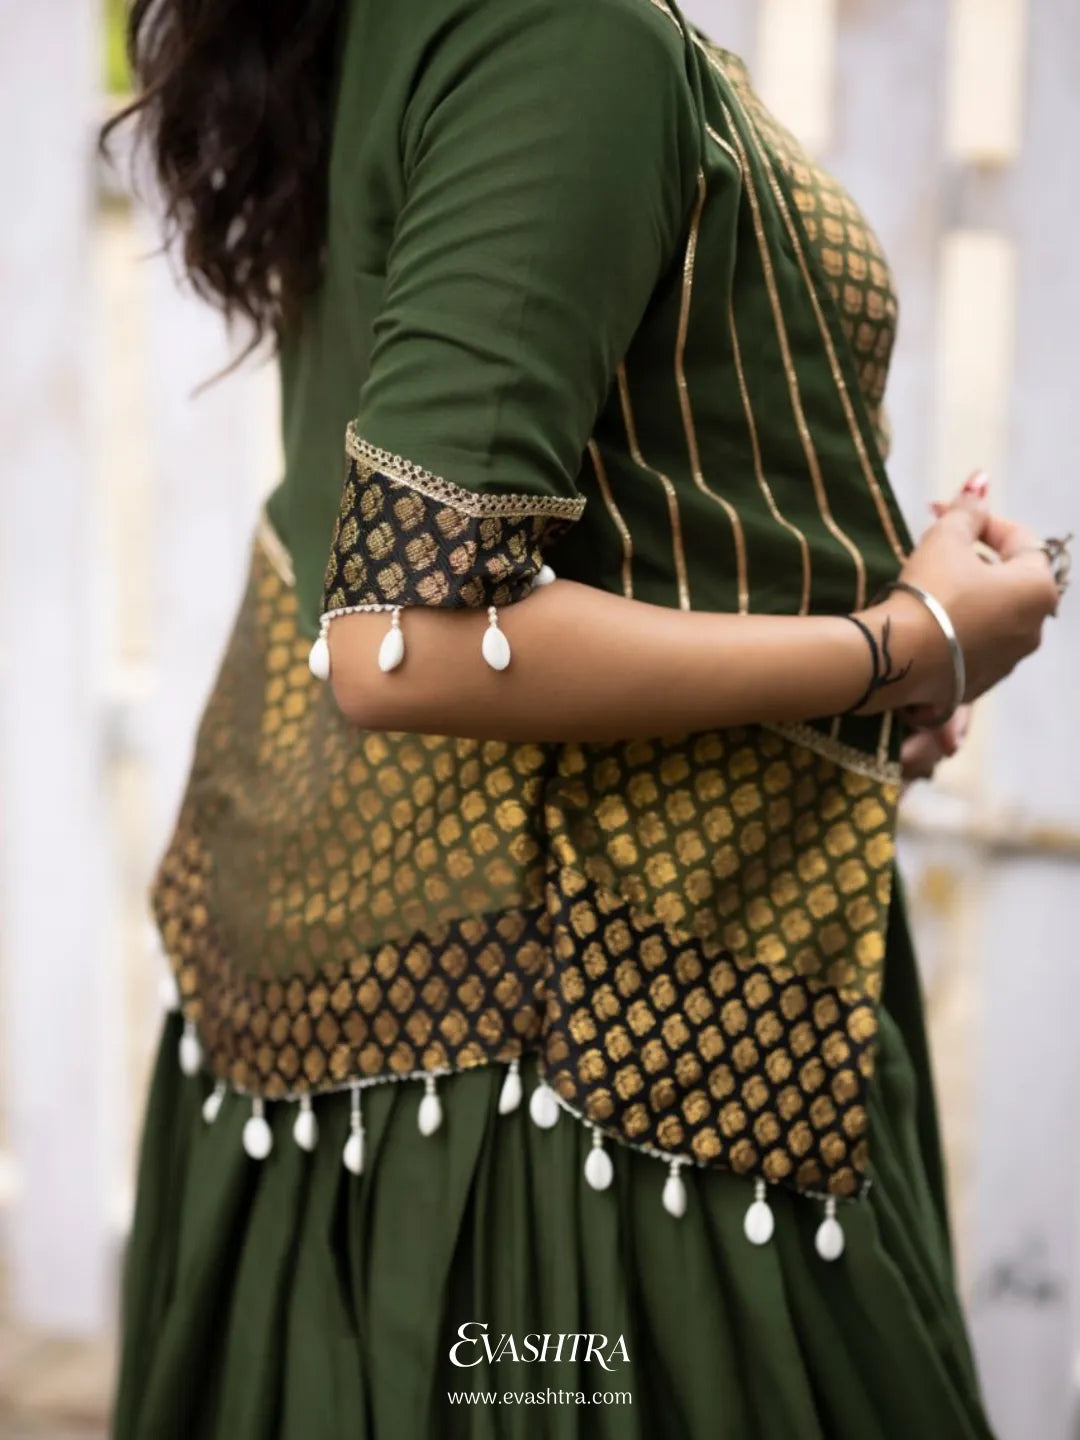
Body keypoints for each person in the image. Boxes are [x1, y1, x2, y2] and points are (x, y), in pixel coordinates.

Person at [107, 0, 1066, 1436]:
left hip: (340, 967)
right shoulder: (561, 25)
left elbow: (616, 471)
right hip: (577, 1073)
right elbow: (409, 642)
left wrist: (857, 681)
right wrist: (895, 645)